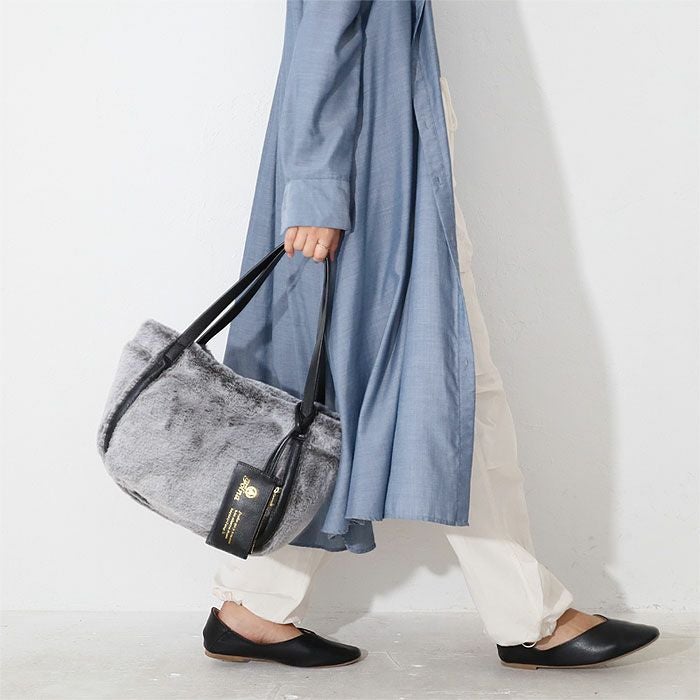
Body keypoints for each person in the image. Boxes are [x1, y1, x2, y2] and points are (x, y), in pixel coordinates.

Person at [202, 0, 660, 669]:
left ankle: (252, 605)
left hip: (390, 174)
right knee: (441, 391)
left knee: (342, 397)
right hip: (370, 189)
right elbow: (322, 40)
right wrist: (318, 186)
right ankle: (531, 618)